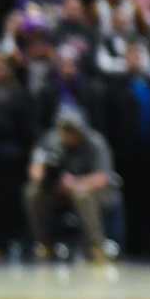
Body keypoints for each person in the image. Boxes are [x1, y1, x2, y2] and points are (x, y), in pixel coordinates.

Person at [28, 110, 118, 260]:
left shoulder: (96, 142)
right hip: (57, 189)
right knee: (32, 193)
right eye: (64, 130)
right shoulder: (50, 140)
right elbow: (35, 170)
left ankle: (96, 245)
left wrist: (76, 183)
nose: (68, 134)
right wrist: (49, 181)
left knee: (82, 195)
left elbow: (103, 177)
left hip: (91, 190)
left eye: (72, 130)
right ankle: (44, 243)